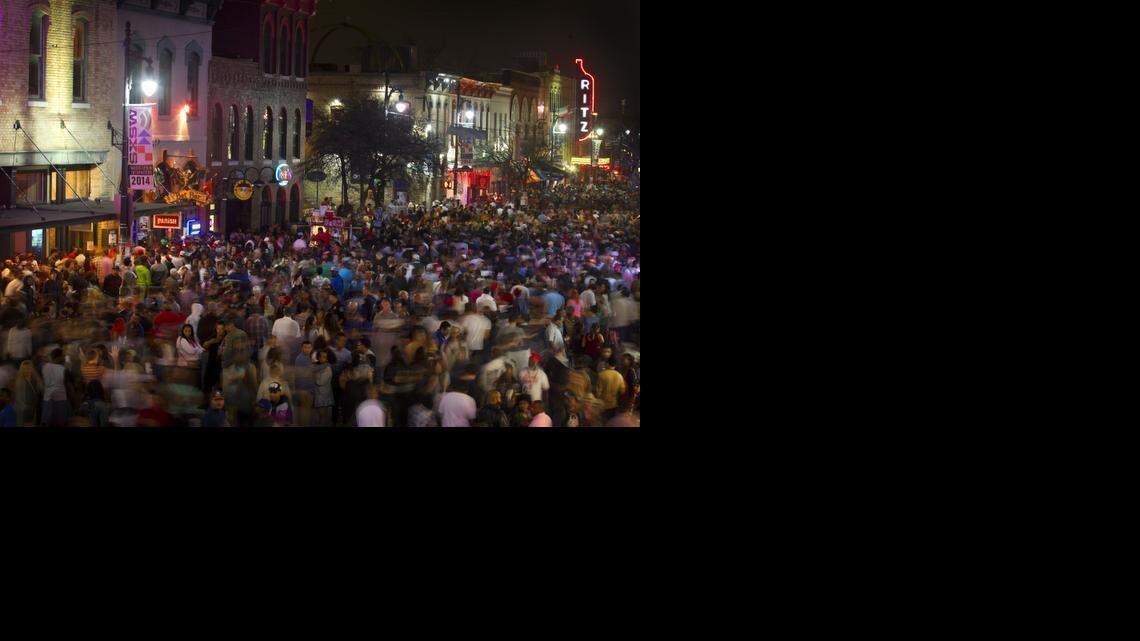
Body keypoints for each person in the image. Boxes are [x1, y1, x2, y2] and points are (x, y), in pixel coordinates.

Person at [41, 348, 70, 427]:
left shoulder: (44, 367)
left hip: (47, 399)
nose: (64, 358)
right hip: (60, 399)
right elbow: (68, 386)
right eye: (63, 356)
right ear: (59, 357)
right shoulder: (63, 369)